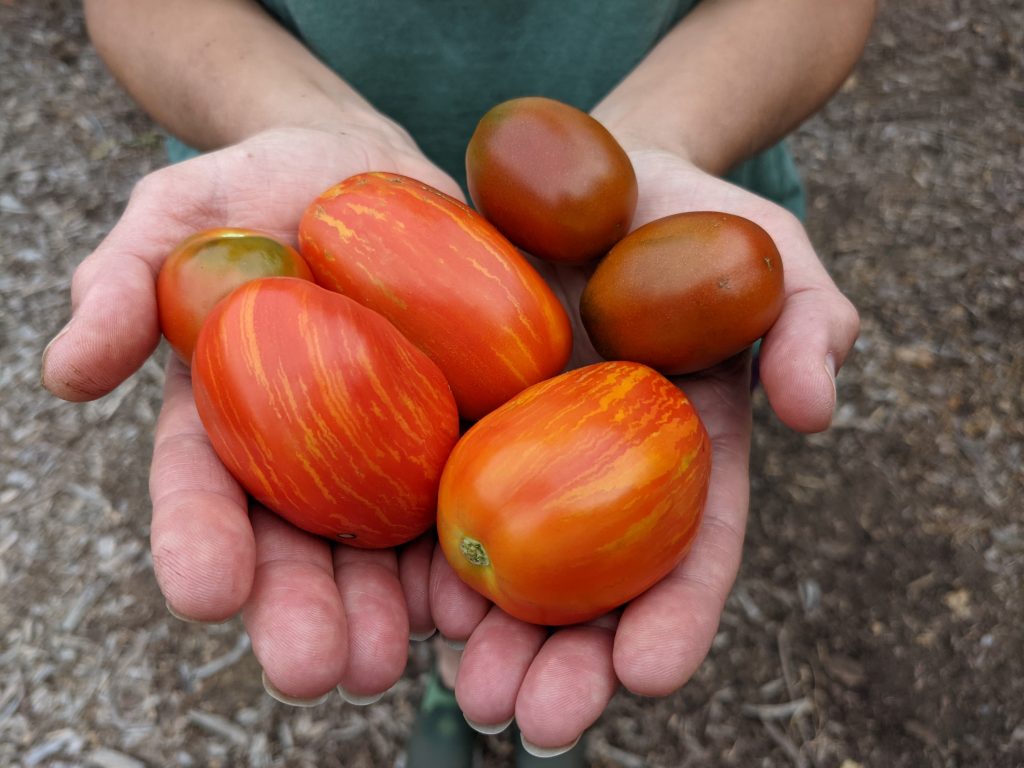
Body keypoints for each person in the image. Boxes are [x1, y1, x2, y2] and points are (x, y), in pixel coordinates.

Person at [42, 1, 873, 764]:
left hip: (646, 210)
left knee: (503, 574)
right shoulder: (320, 258)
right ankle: (455, 671)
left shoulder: (557, 298)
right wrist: (295, 115)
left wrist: (665, 136)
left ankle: (490, 681)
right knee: (463, 574)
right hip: (312, 163)